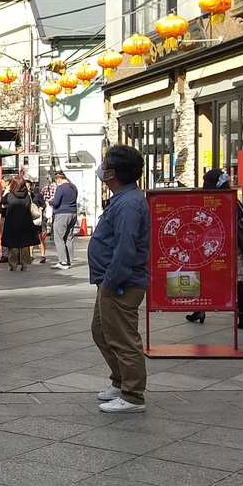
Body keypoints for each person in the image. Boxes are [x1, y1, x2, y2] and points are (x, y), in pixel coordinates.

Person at [89, 145, 151, 414]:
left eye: (104, 164)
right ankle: (120, 380)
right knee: (102, 332)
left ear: (112, 173)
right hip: (110, 280)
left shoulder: (128, 203)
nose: (101, 167)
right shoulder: (123, 198)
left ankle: (133, 394)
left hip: (120, 282)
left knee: (123, 339)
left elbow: (125, 247)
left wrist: (112, 282)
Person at [186, 169, 243, 330]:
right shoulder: (233, 200)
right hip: (229, 245)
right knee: (237, 281)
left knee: (201, 276)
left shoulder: (204, 200)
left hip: (206, 246)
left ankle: (199, 309)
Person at [1, 176, 42, 271]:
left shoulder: (9, 195)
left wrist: (6, 191)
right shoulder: (28, 195)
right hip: (26, 223)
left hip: (12, 223)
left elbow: (2, 206)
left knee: (13, 245)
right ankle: (24, 264)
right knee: (25, 244)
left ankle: (13, 264)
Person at [50, 171, 79, 270]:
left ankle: (63, 261)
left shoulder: (61, 188)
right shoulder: (73, 187)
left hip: (62, 214)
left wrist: (50, 201)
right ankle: (69, 260)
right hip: (73, 213)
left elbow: (56, 202)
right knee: (69, 237)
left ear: (58, 179)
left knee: (59, 237)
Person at [29, 179, 49, 264]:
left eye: (29, 185)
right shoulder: (25, 195)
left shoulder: (37, 195)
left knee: (39, 237)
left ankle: (43, 255)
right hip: (28, 219)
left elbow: (43, 204)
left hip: (36, 218)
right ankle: (30, 255)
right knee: (30, 238)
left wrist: (41, 208)